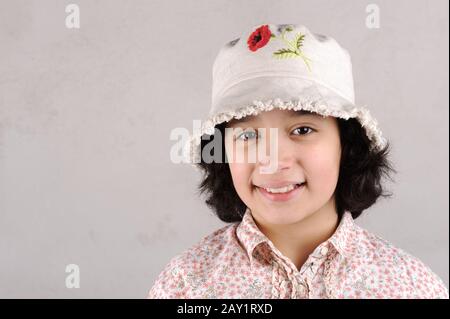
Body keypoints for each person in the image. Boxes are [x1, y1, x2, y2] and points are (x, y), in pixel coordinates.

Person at [147, 23, 449, 298]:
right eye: (248, 136)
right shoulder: (186, 286)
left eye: (302, 130)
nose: (273, 161)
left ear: (347, 144)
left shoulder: (410, 287)